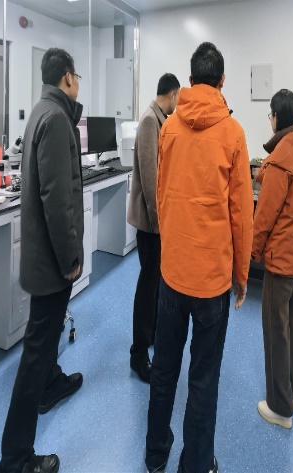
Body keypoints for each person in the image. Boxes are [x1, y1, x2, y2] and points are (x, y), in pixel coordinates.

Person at [145, 42, 253, 473]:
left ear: (190, 80)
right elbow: (241, 215)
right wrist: (241, 275)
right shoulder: (233, 134)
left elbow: (161, 195)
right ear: (222, 81)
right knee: (203, 380)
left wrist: (170, 248)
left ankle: (155, 456)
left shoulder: (169, 128)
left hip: (172, 273)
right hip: (212, 281)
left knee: (164, 369)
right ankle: (195, 464)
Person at [0, 48, 85, 473]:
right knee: (35, 353)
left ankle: (51, 384)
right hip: (52, 261)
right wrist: (71, 257)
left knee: (44, 341)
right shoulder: (56, 119)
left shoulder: (41, 111)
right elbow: (56, 198)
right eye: (77, 75)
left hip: (42, 256)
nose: (78, 82)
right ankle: (15, 458)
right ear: (68, 77)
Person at [251, 89, 293, 429]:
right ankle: (290, 392)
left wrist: (251, 253)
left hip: (280, 260)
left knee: (276, 333)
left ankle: (279, 408)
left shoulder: (278, 163)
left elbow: (264, 218)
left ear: (276, 117)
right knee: (291, 327)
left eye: (270, 115)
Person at [127, 72, 181, 384]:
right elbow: (150, 180)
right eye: (178, 99)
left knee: (155, 287)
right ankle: (138, 355)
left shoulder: (161, 119)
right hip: (151, 226)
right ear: (171, 95)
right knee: (147, 289)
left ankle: (151, 339)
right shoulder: (150, 121)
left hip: (156, 223)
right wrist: (161, 226)